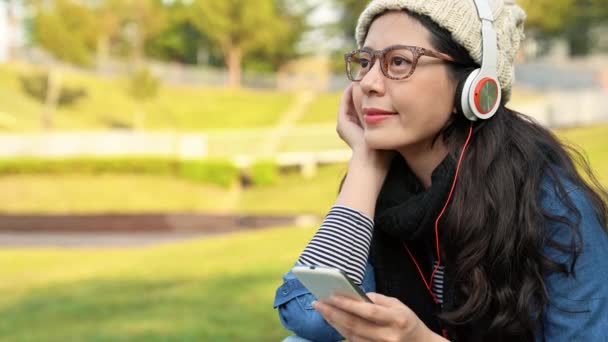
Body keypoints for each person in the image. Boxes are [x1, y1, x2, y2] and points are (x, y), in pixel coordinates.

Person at [273, 0, 608, 341]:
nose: (369, 83)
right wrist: (365, 166)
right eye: (365, 61)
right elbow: (310, 319)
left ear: (474, 86)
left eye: (398, 61)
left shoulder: (553, 207)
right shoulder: (385, 191)